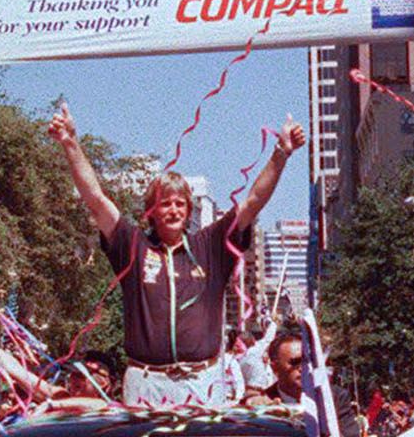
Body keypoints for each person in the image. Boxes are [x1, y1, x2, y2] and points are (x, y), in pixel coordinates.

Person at [46, 100, 303, 410]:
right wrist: (70, 143)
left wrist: (281, 152)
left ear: (189, 210)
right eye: (164, 203)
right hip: (145, 382)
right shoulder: (134, 245)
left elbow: (253, 201)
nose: (173, 210)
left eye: (180, 204)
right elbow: (96, 200)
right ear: (150, 212)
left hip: (202, 381)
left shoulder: (210, 246)